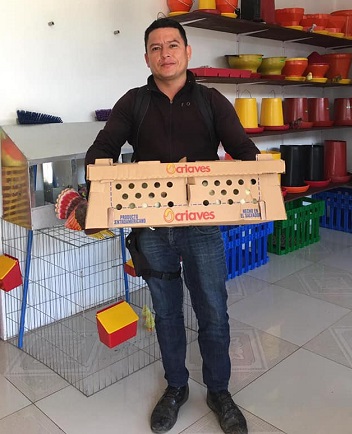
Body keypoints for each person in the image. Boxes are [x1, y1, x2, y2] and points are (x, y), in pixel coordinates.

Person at [85, 17, 260, 434]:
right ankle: (176, 387)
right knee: (165, 312)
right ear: (147, 57)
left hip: (201, 226)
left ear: (187, 51)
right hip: (151, 227)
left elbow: (244, 150)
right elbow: (103, 148)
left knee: (213, 311)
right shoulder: (134, 102)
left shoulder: (211, 100)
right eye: (156, 47)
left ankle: (219, 391)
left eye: (173, 45)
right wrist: (95, 194)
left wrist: (257, 182)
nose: (165, 54)